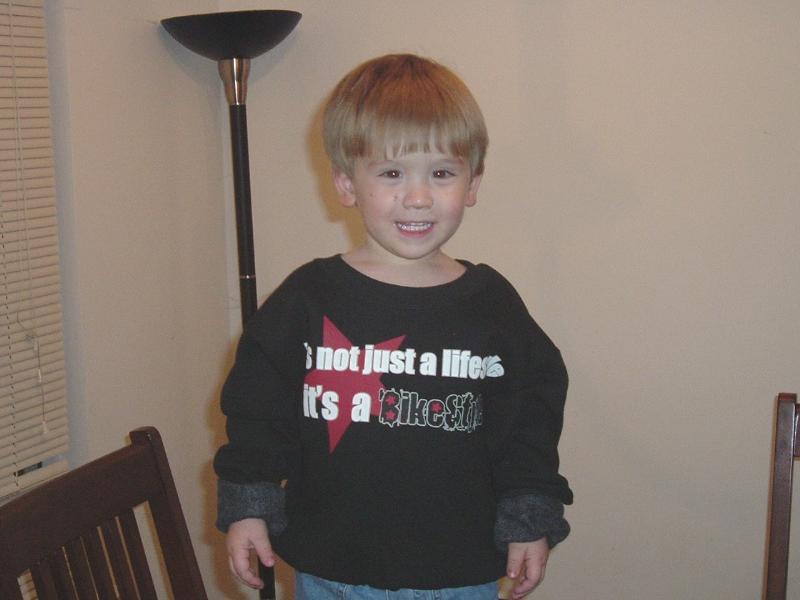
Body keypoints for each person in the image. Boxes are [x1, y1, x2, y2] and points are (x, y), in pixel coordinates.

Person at [214, 53, 572, 600]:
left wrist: (529, 515)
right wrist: (248, 506)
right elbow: (258, 413)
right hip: (330, 569)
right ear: (346, 184)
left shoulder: (492, 306)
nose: (419, 197)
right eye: (391, 173)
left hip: (457, 573)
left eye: (442, 173)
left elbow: (530, 422)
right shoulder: (307, 298)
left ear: (473, 183)